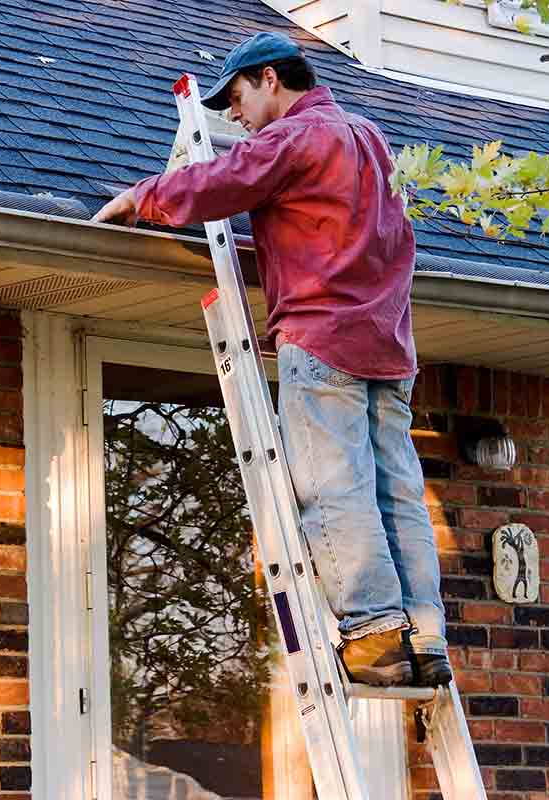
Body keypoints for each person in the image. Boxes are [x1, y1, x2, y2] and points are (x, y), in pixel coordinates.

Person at [93, 31, 451, 688]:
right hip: (387, 348)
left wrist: (144, 196)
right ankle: (424, 635)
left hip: (325, 346)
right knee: (396, 490)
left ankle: (373, 634)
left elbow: (227, 178)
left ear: (268, 80)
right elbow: (384, 248)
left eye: (235, 97)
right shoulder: (369, 138)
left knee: (333, 488)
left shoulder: (297, 136)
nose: (232, 116)